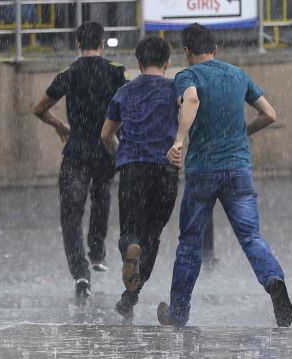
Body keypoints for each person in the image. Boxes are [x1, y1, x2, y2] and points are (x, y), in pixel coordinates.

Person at [157, 23, 292, 327]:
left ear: (187, 52)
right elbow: (269, 115)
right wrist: (240, 134)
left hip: (203, 172)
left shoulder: (187, 75)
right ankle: (273, 281)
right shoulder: (237, 74)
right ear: (216, 50)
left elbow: (191, 100)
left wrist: (179, 140)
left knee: (190, 244)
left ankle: (178, 313)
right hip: (238, 170)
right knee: (251, 237)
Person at [33, 21, 129, 297]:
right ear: (102, 44)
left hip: (75, 151)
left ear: (77, 44)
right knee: (102, 196)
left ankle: (80, 273)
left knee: (71, 213)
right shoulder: (115, 72)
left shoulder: (69, 73)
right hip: (105, 148)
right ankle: (98, 253)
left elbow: (39, 109)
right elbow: (128, 107)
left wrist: (60, 125)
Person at [101, 36, 180, 318]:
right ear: (167, 62)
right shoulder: (176, 90)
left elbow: (106, 134)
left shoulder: (125, 91)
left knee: (130, 233)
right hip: (166, 170)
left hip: (133, 169)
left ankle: (130, 254)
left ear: (138, 62)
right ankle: (129, 299)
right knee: (152, 236)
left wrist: (122, 155)